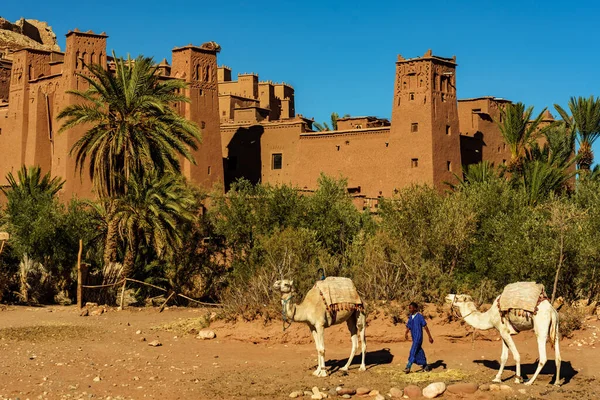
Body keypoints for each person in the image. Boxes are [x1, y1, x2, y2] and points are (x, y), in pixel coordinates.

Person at [404, 302, 433, 373]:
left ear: (415, 308)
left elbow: (425, 326)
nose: (409, 309)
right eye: (409, 308)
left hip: (418, 337)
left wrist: (430, 336)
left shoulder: (419, 316)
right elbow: (409, 326)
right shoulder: (411, 317)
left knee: (413, 350)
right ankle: (425, 365)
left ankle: (408, 366)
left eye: (411, 308)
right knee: (419, 351)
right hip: (414, 337)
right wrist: (406, 333)